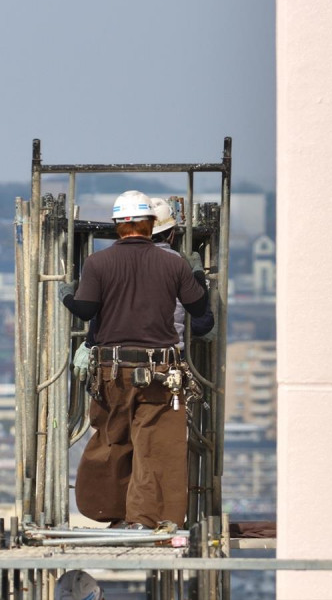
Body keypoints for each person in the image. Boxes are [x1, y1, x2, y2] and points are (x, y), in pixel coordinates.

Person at [58, 190, 208, 530]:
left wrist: (67, 295)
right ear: (151, 223)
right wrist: (196, 277)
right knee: (155, 446)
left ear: (116, 226)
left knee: (113, 438)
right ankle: (146, 518)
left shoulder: (98, 263)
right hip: (160, 370)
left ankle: (113, 512)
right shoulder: (173, 263)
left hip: (112, 371)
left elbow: (86, 310)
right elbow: (200, 311)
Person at [148, 197, 215, 341]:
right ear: (171, 234)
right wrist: (198, 276)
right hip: (169, 351)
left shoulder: (113, 262)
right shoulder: (178, 263)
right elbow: (202, 324)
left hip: (120, 353)